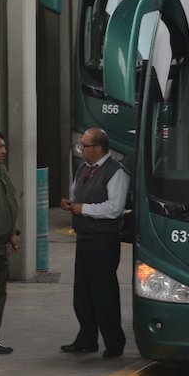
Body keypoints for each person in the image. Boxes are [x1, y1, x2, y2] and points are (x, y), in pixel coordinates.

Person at [59, 128, 128, 358]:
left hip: (103, 240)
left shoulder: (116, 172)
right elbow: (78, 194)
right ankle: (86, 337)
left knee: (103, 292)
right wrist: (72, 204)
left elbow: (114, 208)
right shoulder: (83, 169)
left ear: (98, 148)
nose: (81, 150)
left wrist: (83, 209)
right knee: (83, 291)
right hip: (85, 237)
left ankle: (114, 341)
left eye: (84, 146)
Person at [0, 128, 21, 360]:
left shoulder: (1, 172)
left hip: (3, 242)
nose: (4, 151)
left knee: (0, 293)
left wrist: (13, 232)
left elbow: (10, 202)